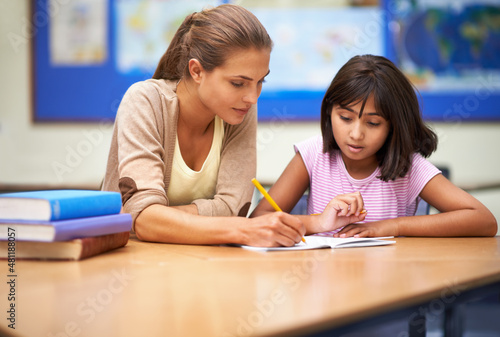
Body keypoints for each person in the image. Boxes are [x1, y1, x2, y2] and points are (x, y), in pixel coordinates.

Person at [102, 4, 305, 247]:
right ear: (197, 71)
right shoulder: (145, 101)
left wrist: (161, 217)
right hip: (132, 260)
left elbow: (233, 209)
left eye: (260, 81)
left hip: (202, 261)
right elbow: (144, 221)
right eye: (238, 83)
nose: (253, 97)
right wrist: (240, 230)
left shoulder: (238, 110)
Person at [251, 54, 497, 238]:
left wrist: (392, 226)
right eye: (345, 118)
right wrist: (317, 223)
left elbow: (484, 220)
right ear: (329, 112)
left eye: (373, 123)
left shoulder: (408, 166)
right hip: (322, 286)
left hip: (389, 288)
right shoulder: (313, 154)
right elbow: (259, 220)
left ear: (394, 125)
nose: (356, 134)